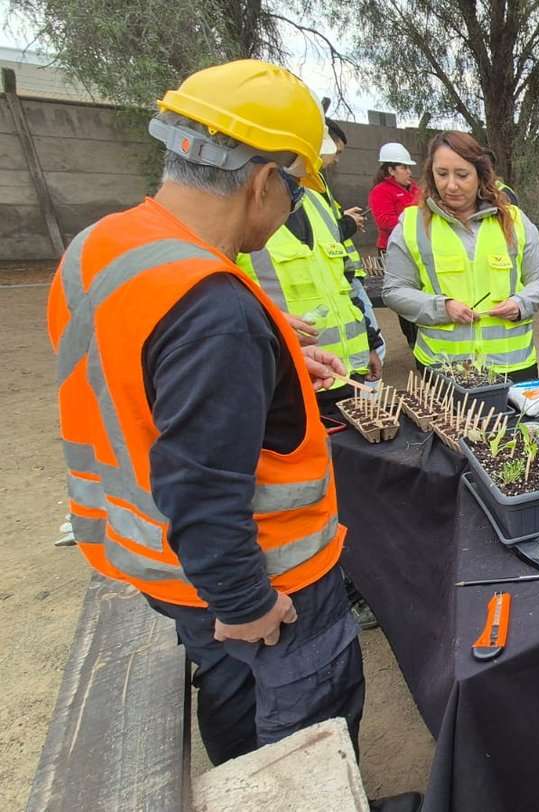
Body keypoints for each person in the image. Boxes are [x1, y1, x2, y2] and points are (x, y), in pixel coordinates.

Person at [46, 59, 364, 766]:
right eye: (295, 193)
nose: (287, 214)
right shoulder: (213, 310)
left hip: (169, 567)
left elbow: (136, 377)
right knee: (305, 743)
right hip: (263, 583)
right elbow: (201, 484)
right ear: (263, 181)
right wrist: (248, 604)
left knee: (233, 704)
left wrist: (271, 366)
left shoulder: (102, 247)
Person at [382, 131, 539, 380]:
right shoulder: (412, 225)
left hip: (513, 365)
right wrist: (442, 307)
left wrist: (520, 303)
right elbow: (394, 291)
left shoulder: (515, 220)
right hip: (444, 368)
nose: (451, 185)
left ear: (480, 175)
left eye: (462, 175)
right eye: (442, 174)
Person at [236, 184, 384, 418]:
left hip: (349, 373)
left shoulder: (316, 201)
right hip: (294, 381)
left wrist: (370, 343)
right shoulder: (235, 209)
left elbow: (344, 285)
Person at [319, 120, 385, 361]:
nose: (336, 160)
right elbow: (322, 236)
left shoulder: (320, 187)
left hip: (345, 275)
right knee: (369, 346)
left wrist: (343, 217)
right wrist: (347, 223)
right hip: (338, 278)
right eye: (336, 152)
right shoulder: (308, 190)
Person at [370, 142, 422, 348]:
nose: (409, 171)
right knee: (404, 294)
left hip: (418, 247)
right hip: (394, 249)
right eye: (404, 167)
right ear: (390, 170)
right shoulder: (381, 191)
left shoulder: (416, 189)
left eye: (409, 167)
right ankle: (412, 339)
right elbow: (384, 221)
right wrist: (413, 224)